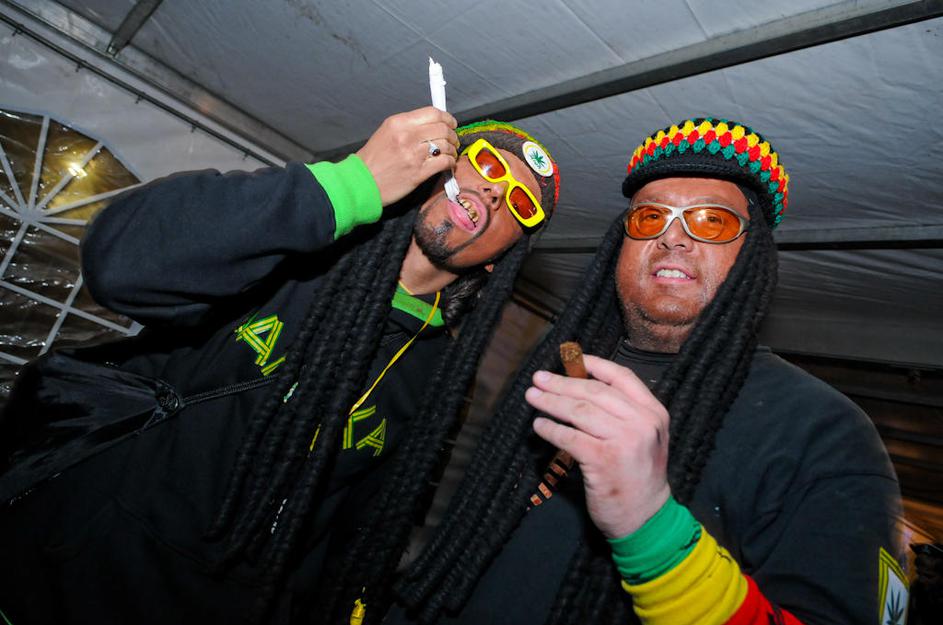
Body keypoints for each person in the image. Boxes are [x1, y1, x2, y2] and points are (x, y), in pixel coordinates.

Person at [0, 106, 560, 625]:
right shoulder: (294, 241)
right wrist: (355, 183)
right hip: (49, 574)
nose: (495, 189)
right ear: (436, 166)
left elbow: (358, 529)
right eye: (487, 164)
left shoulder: (439, 382)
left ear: (502, 260)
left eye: (520, 204)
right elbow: (119, 263)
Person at [391, 118, 906, 624]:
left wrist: (651, 529)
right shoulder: (560, 365)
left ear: (752, 254)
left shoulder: (824, 431)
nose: (673, 237)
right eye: (649, 217)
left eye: (711, 221)